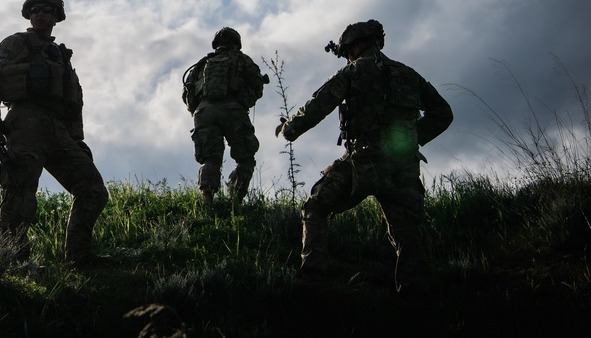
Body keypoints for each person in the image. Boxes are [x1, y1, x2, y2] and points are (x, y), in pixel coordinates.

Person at [275, 19, 453, 296]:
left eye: (347, 50)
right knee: (405, 230)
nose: (346, 56)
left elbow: (317, 106)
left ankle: (314, 280)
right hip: (404, 164)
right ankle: (414, 294)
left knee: (316, 206)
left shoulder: (353, 72)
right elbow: (443, 113)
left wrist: (289, 129)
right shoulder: (410, 75)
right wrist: (408, 140)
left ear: (357, 45)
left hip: (364, 160)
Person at [0, 0, 110, 267]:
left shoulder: (61, 56)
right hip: (25, 122)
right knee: (20, 194)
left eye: (46, 9)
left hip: (58, 129)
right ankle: (14, 261)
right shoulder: (15, 43)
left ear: (56, 15)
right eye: (34, 9)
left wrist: (77, 139)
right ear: (28, 14)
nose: (40, 14)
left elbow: (74, 100)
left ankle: (79, 256)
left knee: (93, 189)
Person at [182, 27, 269, 208]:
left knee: (211, 159)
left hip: (204, 113)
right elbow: (257, 85)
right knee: (245, 158)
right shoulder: (242, 60)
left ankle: (207, 197)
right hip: (233, 110)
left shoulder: (200, 65)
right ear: (236, 44)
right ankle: (234, 200)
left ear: (216, 45)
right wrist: (243, 101)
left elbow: (187, 95)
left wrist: (198, 109)